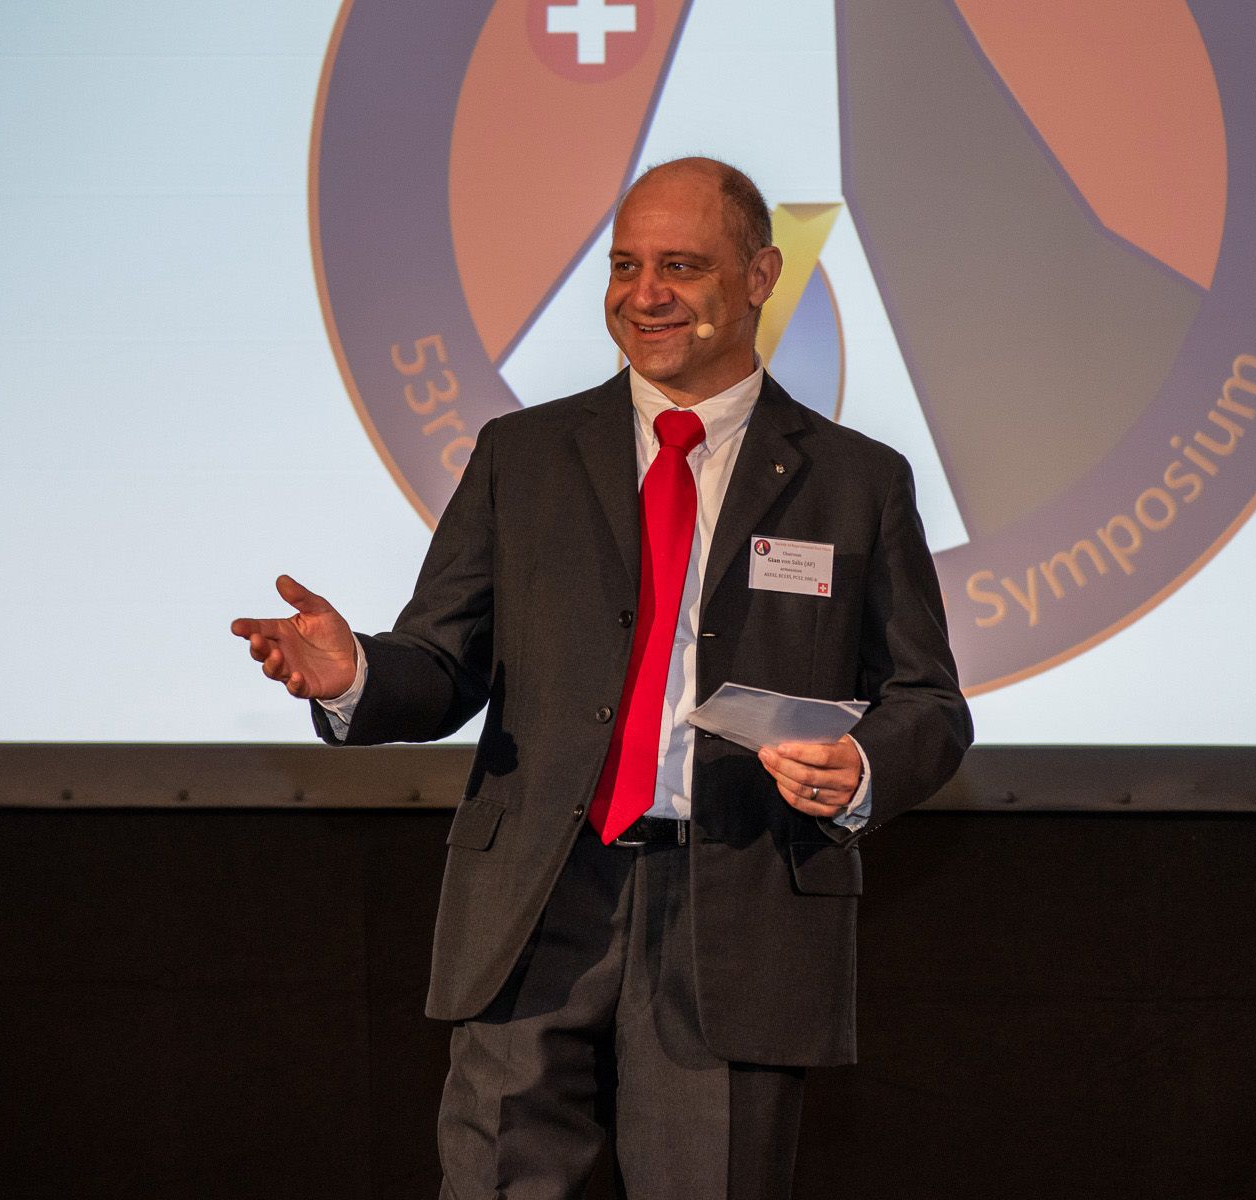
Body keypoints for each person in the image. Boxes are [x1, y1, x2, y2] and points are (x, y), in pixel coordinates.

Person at [232, 157, 971, 1200]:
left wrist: (857, 770)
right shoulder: (522, 457)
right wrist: (354, 671)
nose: (644, 293)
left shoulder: (855, 482)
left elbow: (929, 706)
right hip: (538, 899)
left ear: (761, 275)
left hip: (738, 903)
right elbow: (442, 664)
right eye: (626, 265)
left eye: (681, 264)